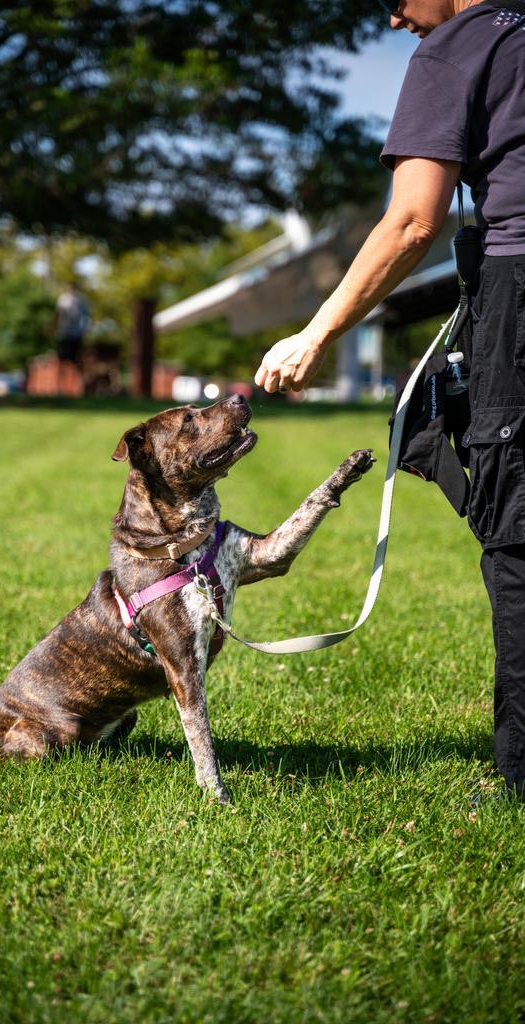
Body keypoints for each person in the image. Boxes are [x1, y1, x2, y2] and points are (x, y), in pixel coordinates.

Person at [255, 0, 525, 798]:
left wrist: (314, 335)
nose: (393, 19)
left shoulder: (454, 48)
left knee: (516, 536)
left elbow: (412, 222)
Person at [54, 280, 90, 365]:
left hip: (77, 333)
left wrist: (86, 329)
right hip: (64, 332)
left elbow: (87, 315)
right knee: (63, 356)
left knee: (75, 357)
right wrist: (53, 326)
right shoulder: (63, 299)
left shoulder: (82, 299)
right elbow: (57, 313)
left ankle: (73, 375)